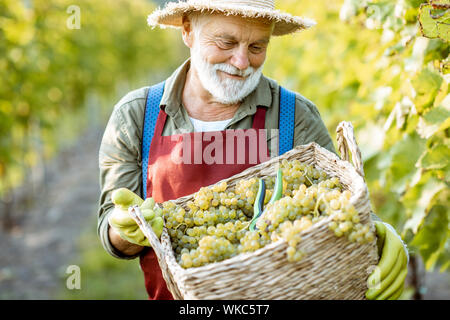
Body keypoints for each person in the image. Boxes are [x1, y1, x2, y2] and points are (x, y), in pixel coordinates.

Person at [97, 0, 408, 300]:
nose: (242, 62)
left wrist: (379, 234)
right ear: (188, 31)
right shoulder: (138, 115)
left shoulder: (294, 116)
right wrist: (127, 228)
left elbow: (337, 203)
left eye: (257, 47)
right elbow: (111, 232)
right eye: (226, 42)